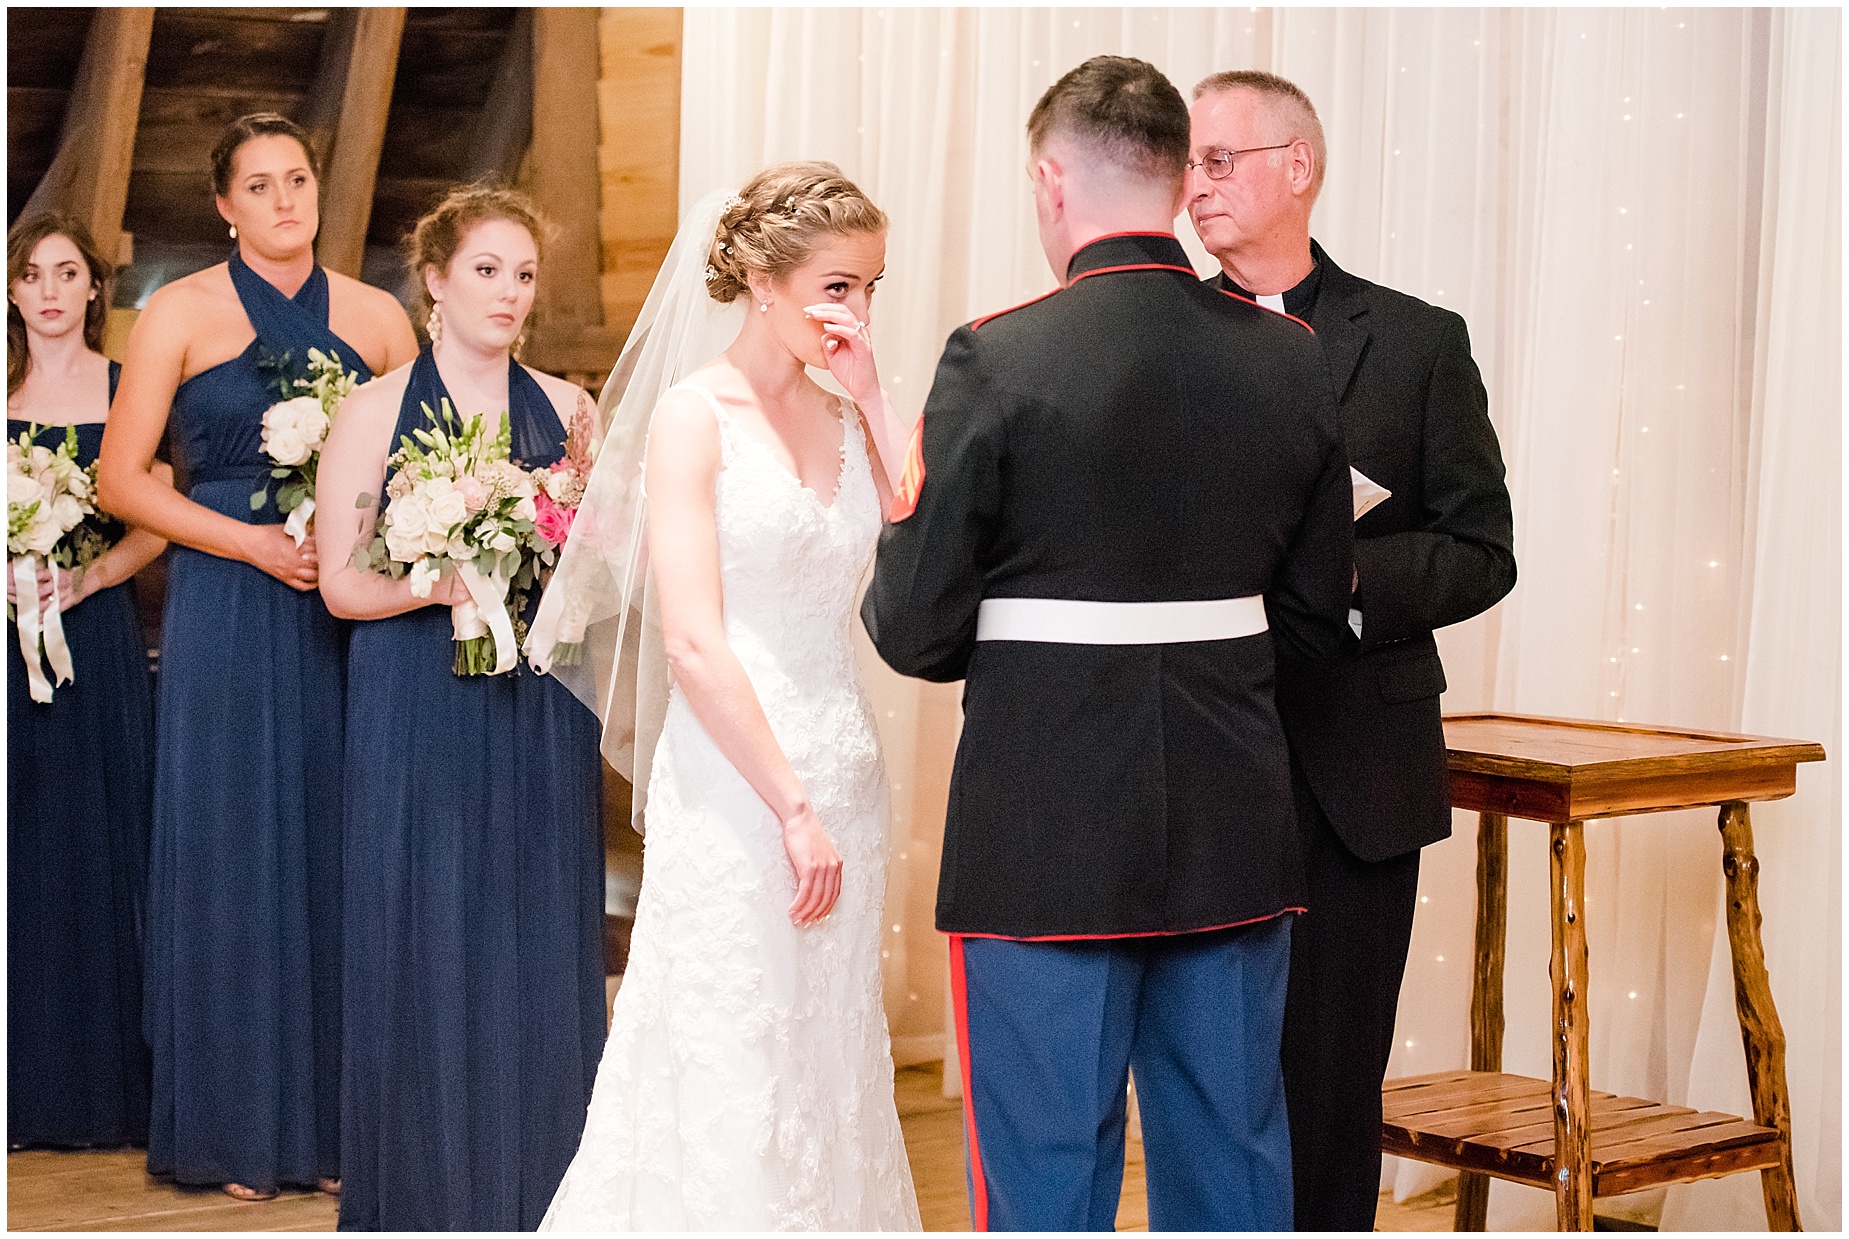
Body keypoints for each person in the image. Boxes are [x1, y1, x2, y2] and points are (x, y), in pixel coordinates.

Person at [862, 56, 1355, 1232]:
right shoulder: (1287, 353)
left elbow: (918, 633)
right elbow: (1314, 613)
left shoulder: (998, 352)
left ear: (1049, 180)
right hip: (1235, 814)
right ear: (1183, 182)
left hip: (1044, 827)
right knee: (1232, 1157)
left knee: (1043, 1167)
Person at [524, 163, 921, 1230]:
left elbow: (912, 515)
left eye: (871, 287)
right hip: (739, 776)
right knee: (731, 1039)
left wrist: (877, 393)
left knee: (826, 1045)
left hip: (845, 763)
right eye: (838, 286)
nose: (857, 312)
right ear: (761, 279)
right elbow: (694, 644)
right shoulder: (693, 419)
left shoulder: (847, 419)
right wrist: (791, 806)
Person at [1185, 70, 1517, 1231]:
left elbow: (1483, 549)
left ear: (1297, 167)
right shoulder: (1158, 340)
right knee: (1203, 1084)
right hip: (1193, 760)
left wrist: (1345, 579)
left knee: (1329, 1091)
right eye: (1186, 164)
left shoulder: (1420, 343)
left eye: (1219, 160)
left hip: (1353, 775)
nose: (1196, 187)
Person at [97, 113, 417, 1200]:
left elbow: (423, 465)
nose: (286, 200)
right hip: (228, 608)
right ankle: (239, 1128)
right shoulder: (177, 312)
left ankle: (338, 1129)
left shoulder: (378, 318)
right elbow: (121, 478)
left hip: (345, 616)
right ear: (225, 208)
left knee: (341, 847)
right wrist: (245, 541)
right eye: (261, 186)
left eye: (299, 180)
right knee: (233, 847)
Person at [314, 185, 608, 1231]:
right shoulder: (373, 410)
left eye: (524, 274)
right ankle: (429, 1191)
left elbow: (596, 570)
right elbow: (344, 585)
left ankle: (546, 1185)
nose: (509, 293)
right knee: (425, 930)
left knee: (533, 931)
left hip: (534, 704)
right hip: (416, 704)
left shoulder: (572, 412)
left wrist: (541, 561)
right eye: (486, 270)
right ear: (434, 279)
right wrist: (437, 582)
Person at [7, 214, 167, 1150]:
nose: (53, 290)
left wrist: (92, 575)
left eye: (69, 273)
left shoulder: (123, 389)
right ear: (14, 293)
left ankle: (106, 1088)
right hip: (8, 648)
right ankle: (22, 1088)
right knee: (21, 852)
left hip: (96, 635)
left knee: (102, 845)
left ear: (93, 290)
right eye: (35, 274)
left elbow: (160, 512)